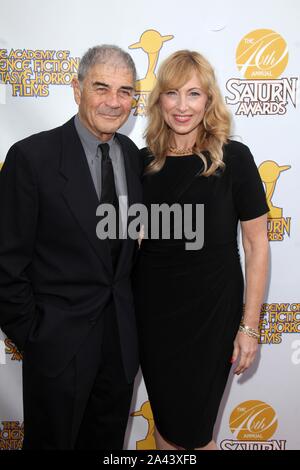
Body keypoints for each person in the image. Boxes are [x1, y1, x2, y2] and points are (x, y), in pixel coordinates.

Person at [0, 45, 143, 450]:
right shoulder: (32, 157)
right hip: (58, 350)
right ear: (76, 89)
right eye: (101, 87)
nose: (114, 102)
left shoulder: (131, 156)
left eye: (125, 91)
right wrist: (38, 336)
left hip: (118, 350)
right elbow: (6, 264)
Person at [133, 50, 269, 450]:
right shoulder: (141, 162)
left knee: (192, 433)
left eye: (193, 94)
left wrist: (249, 326)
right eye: (172, 94)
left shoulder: (234, 159)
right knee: (165, 427)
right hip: (152, 316)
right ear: (159, 100)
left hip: (211, 315)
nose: (182, 106)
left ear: (209, 99)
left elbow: (256, 244)